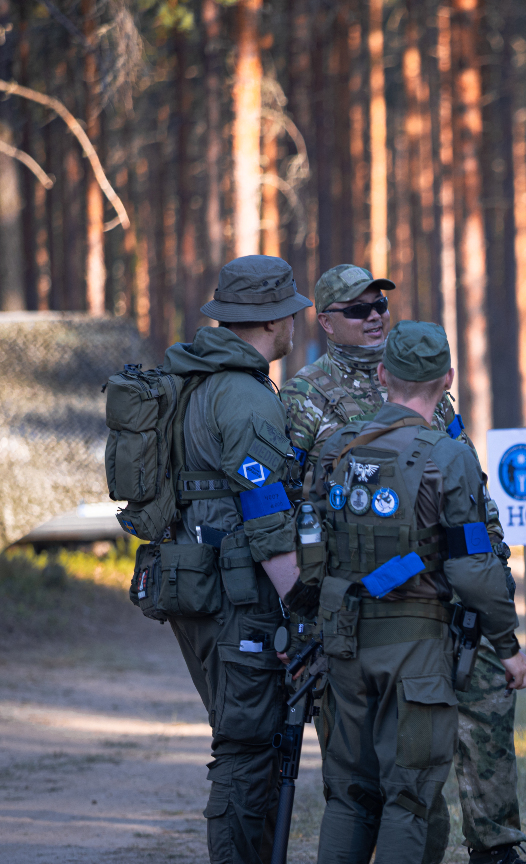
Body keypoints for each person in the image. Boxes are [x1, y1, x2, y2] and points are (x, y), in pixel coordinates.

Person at [281, 264, 526, 864]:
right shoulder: (307, 397)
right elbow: (297, 510)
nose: (374, 317)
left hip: (438, 601)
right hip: (378, 611)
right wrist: (305, 613)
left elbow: (467, 482)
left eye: (380, 307)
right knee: (397, 785)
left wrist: (490, 564)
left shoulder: (429, 398)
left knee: (463, 729)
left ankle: (495, 843)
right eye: (358, 309)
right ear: (326, 322)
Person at [160, 255, 312, 863]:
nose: (296, 322)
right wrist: (302, 607)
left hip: (194, 582)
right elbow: (267, 515)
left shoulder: (194, 379)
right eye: (291, 312)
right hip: (236, 598)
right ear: (273, 320)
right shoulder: (244, 397)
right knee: (247, 748)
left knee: (250, 739)